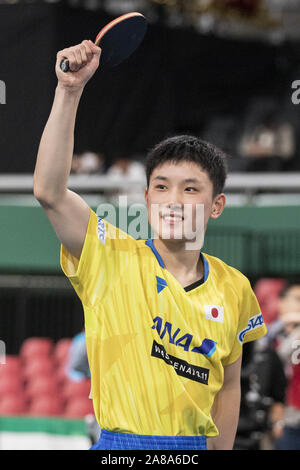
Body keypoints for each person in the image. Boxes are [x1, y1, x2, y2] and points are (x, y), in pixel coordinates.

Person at [33, 40, 267, 450]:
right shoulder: (110, 256)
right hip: (120, 448)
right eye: (161, 186)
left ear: (217, 206)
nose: (173, 199)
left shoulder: (235, 288)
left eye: (190, 189)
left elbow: (229, 387)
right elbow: (50, 191)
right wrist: (69, 91)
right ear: (146, 199)